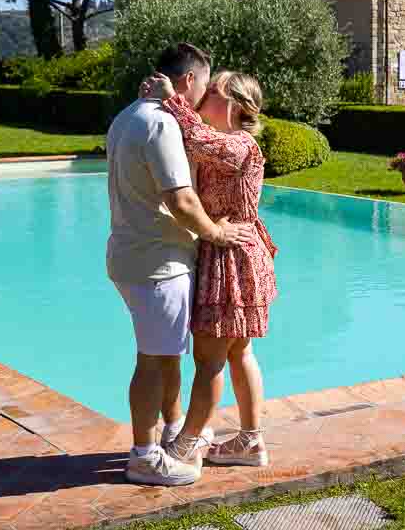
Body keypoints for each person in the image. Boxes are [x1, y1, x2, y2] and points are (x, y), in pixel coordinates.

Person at [105, 43, 249, 487]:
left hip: (133, 255)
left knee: (166, 355)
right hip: (158, 262)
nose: (206, 96)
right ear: (189, 81)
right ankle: (144, 456)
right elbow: (181, 199)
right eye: (205, 85)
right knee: (152, 360)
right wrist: (216, 232)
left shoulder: (127, 115)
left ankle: (170, 430)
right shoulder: (160, 123)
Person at [142, 69, 278, 470]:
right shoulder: (225, 144)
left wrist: (172, 99)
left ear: (236, 105)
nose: (205, 99)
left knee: (210, 358)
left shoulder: (242, 146)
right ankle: (250, 442)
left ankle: (184, 446)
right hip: (234, 253)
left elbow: (195, 137)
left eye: (214, 93)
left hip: (231, 259)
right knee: (239, 352)